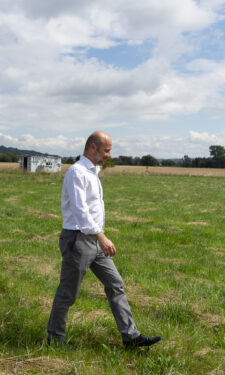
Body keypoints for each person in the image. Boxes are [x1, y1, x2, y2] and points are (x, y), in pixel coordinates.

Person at [46, 130, 161, 348]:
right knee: (68, 293)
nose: (109, 155)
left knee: (115, 284)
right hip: (78, 240)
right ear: (92, 148)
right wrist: (101, 236)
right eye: (106, 150)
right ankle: (55, 338)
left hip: (95, 239)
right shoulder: (77, 172)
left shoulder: (93, 172)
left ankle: (130, 337)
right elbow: (80, 211)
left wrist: (99, 237)